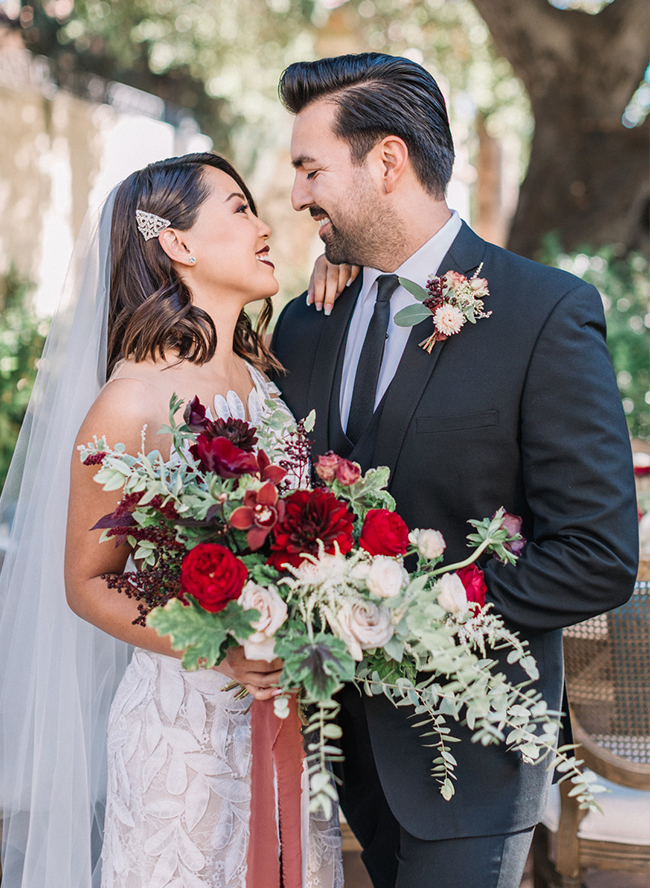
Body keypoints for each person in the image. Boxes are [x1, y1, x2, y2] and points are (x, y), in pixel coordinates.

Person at [271, 53, 639, 888]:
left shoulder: (544, 313)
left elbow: (598, 554)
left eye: (310, 168)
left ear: (387, 162)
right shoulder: (305, 322)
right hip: (335, 751)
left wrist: (419, 608)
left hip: (471, 761)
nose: (295, 195)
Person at [0, 153, 342, 888]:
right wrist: (219, 649)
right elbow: (88, 582)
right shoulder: (130, 404)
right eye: (240, 209)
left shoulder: (260, 375)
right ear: (179, 244)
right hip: (181, 737)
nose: (264, 225)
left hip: (285, 720)